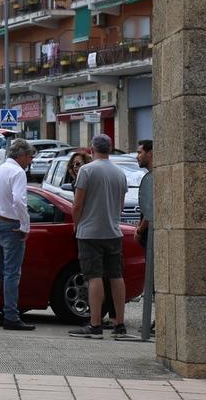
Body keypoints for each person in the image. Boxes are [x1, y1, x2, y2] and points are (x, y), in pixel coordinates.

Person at [69, 134, 129, 339]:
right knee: (116, 276)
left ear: (91, 149)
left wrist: (76, 224)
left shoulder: (86, 171)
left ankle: (95, 325)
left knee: (94, 276)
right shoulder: (120, 173)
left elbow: (77, 204)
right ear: (110, 149)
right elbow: (120, 205)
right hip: (113, 232)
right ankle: (120, 324)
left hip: (90, 232)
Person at [0, 138, 36, 331]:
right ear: (22, 155)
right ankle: (11, 316)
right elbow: (19, 201)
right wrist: (25, 225)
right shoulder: (18, 172)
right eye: (30, 157)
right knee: (12, 272)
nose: (30, 161)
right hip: (11, 225)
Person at [135, 140, 154, 248]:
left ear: (150, 153)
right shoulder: (148, 176)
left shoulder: (153, 177)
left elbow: (150, 210)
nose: (137, 157)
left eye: (139, 153)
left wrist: (139, 231)